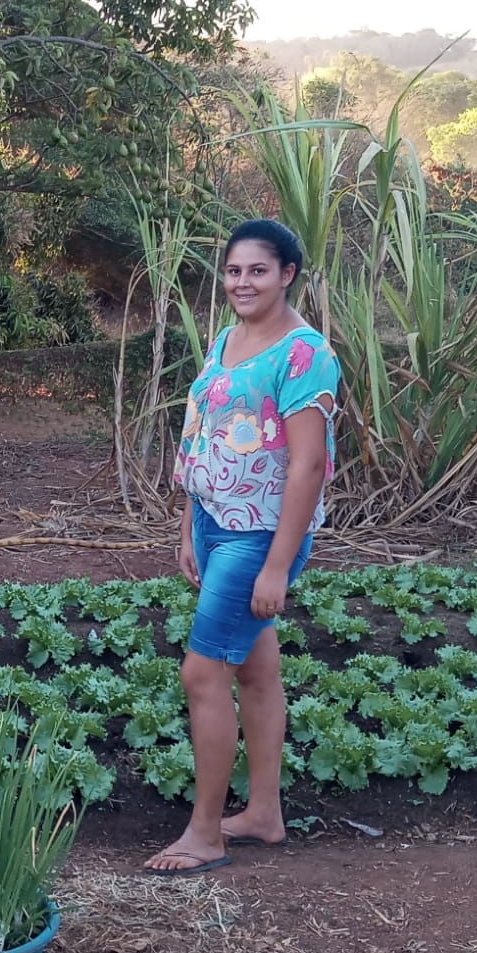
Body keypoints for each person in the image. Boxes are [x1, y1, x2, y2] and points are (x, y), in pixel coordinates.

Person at [145, 219, 340, 875]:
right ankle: (262, 813)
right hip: (213, 524)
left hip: (259, 535)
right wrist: (187, 526)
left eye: (257, 270)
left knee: (202, 674)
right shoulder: (227, 339)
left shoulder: (304, 354)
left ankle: (205, 834)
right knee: (255, 672)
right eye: (233, 271)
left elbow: (308, 465)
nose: (241, 282)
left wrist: (278, 564)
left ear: (287, 274)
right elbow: (203, 431)